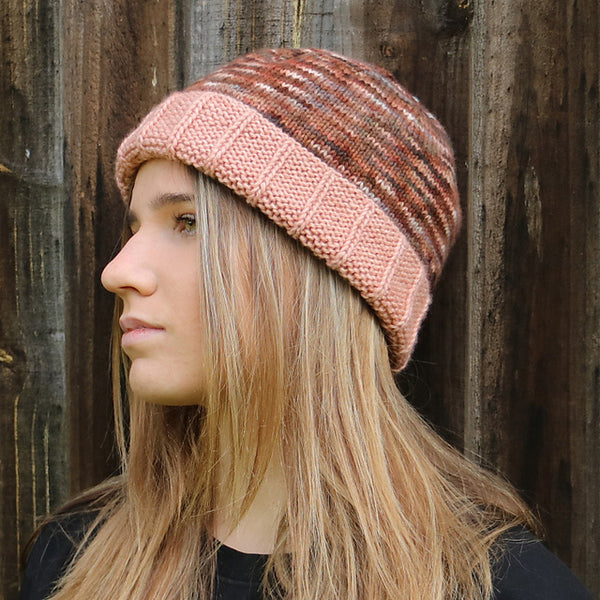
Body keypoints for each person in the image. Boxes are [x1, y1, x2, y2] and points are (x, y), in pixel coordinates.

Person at [20, 48, 593, 600]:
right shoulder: (74, 560)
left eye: (188, 222)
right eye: (135, 228)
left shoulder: (500, 586)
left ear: (326, 276)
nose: (117, 272)